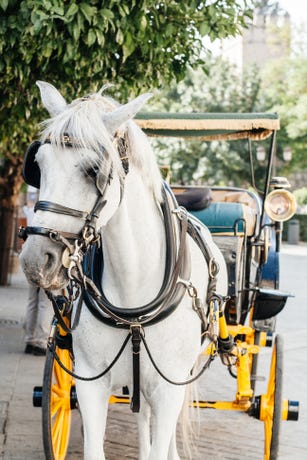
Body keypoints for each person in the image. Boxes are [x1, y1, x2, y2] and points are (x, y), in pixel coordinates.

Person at [23, 196, 53, 356]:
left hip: (30, 260)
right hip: (44, 263)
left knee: (32, 302)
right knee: (44, 303)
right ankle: (41, 342)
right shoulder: (49, 218)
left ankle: (29, 340)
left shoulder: (32, 213)